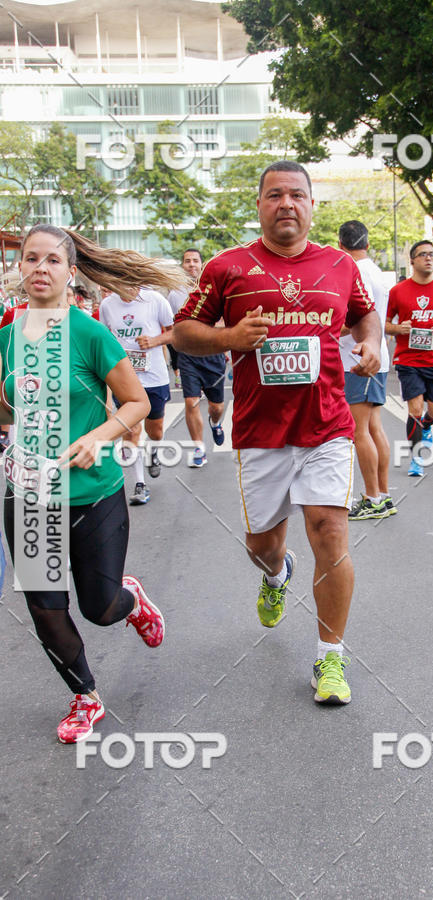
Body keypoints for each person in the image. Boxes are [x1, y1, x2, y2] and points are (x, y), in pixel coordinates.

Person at [173, 160, 381, 705]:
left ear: (312, 204)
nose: (286, 203)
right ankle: (276, 574)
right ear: (260, 205)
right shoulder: (227, 267)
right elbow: (183, 332)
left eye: (296, 194)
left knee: (329, 531)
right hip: (260, 430)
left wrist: (372, 343)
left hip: (327, 424)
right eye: (274, 195)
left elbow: (364, 315)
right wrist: (229, 338)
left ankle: (330, 658)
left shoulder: (340, 264)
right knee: (263, 546)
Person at [0, 224, 186, 742]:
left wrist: (98, 437)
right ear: (19, 267)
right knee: (44, 607)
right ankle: (84, 696)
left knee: (99, 608)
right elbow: (5, 408)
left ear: (70, 272)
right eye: (31, 258)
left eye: (52, 260)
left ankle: (131, 600)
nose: (40, 268)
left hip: (92, 491)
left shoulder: (89, 333)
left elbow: (137, 402)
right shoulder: (6, 337)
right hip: (28, 494)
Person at [386, 239, 433, 477]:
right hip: (407, 361)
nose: (429, 258)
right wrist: (398, 329)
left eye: (432, 254)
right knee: (416, 409)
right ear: (412, 261)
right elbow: (384, 323)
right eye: (423, 254)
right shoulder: (398, 291)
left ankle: (426, 429)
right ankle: (416, 458)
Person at [338, 220, 394, 519]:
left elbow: (355, 322)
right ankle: (383, 496)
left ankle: (373, 499)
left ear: (340, 245)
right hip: (377, 356)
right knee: (374, 428)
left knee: (359, 431)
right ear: (367, 244)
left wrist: (325, 330)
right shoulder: (377, 273)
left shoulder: (353, 272)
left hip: (357, 360)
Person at [100, 286, 174, 504]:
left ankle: (154, 452)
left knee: (155, 431)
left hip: (154, 377)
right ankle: (140, 484)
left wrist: (154, 341)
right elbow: (103, 339)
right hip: (124, 379)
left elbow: (174, 332)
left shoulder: (155, 299)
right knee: (131, 430)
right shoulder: (107, 305)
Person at [167, 248, 226, 467]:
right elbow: (173, 329)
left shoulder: (214, 288)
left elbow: (225, 322)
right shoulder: (175, 294)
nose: (191, 264)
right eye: (187, 261)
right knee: (191, 402)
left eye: (195, 260)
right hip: (188, 356)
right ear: (182, 265)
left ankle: (215, 423)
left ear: (202, 264)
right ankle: (199, 449)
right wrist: (175, 363)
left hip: (212, 355)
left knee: (216, 407)